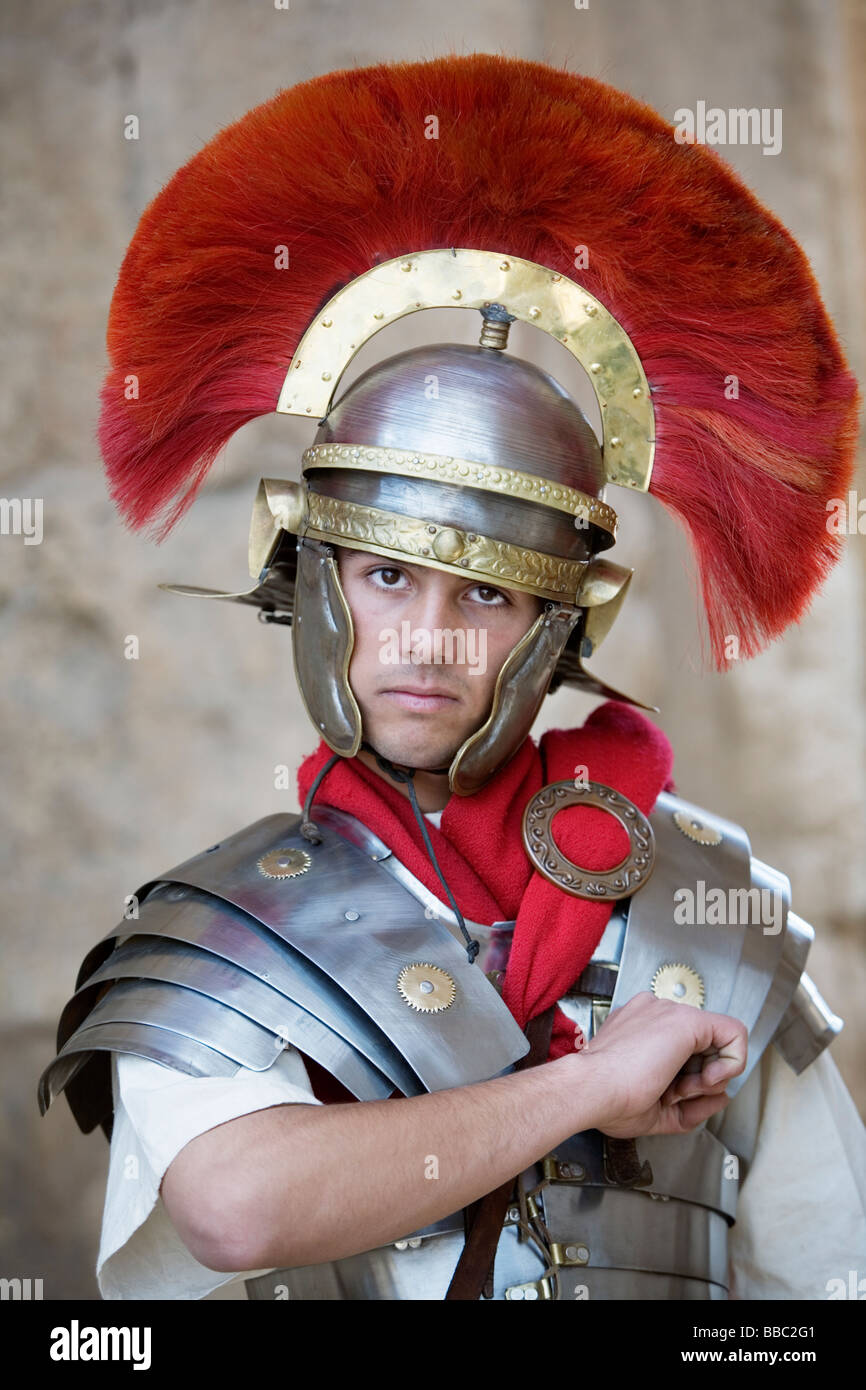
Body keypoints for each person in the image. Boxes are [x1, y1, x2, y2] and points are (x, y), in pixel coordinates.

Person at [39, 54, 865, 1301]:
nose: (428, 640)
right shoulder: (222, 931)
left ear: (554, 622)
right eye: (385, 581)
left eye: (483, 593)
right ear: (313, 586)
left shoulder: (713, 910)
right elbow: (232, 1204)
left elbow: (823, 1285)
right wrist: (588, 1084)